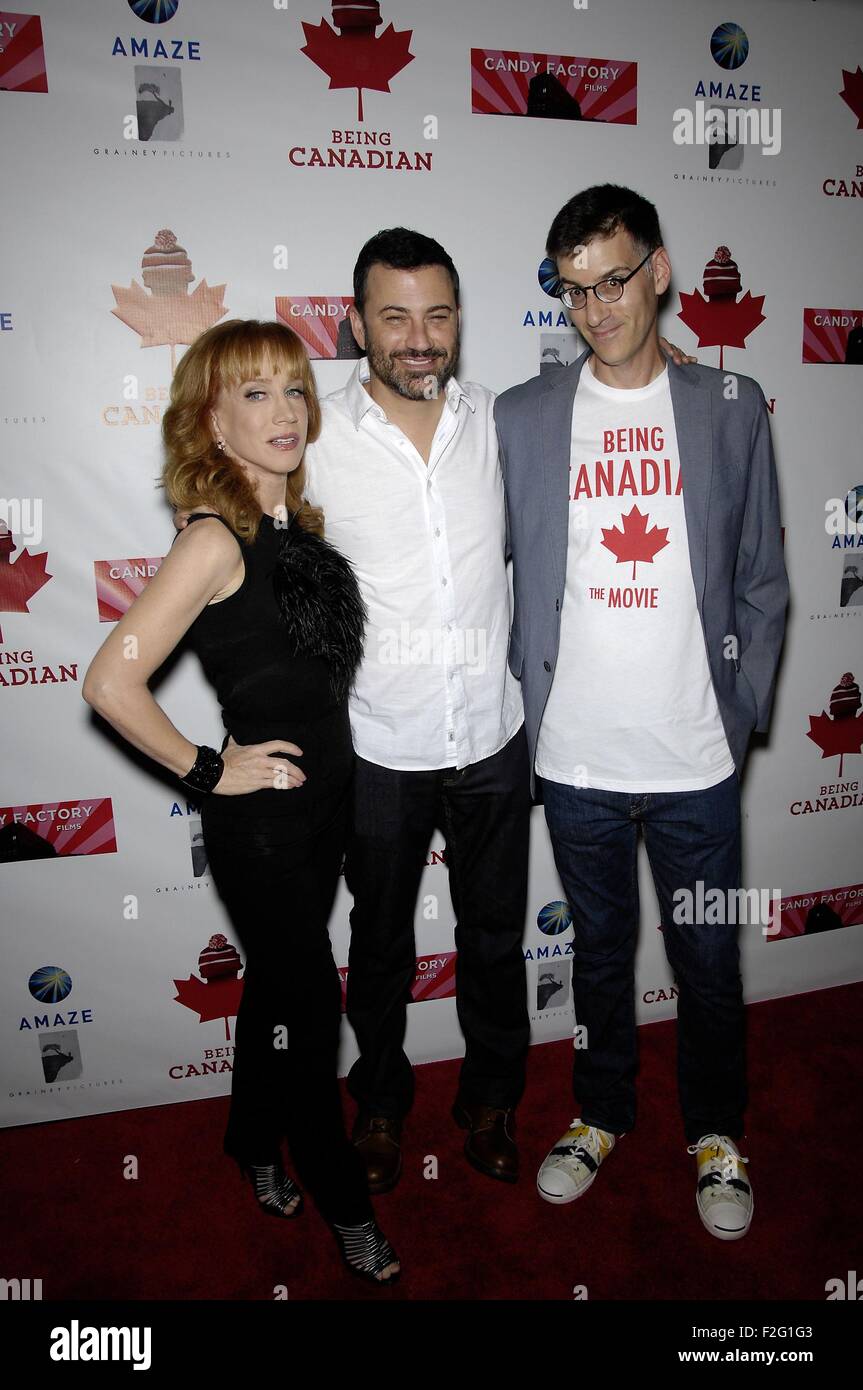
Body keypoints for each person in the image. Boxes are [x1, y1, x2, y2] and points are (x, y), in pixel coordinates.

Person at [494, 184, 789, 1240]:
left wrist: (739, 708)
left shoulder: (728, 404)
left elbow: (760, 578)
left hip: (693, 760)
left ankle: (714, 1132)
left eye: (612, 279)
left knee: (707, 961)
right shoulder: (522, 416)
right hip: (571, 759)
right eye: (571, 289)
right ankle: (599, 1110)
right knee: (598, 957)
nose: (594, 306)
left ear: (657, 271)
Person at [83, 318, 399, 1285]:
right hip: (259, 828)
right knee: (310, 1016)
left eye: (293, 389)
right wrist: (208, 770)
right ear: (211, 425)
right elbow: (109, 682)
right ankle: (344, 1202)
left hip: (327, 810)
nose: (284, 411)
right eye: (254, 394)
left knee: (276, 991)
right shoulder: (213, 542)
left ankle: (249, 1142)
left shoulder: (291, 529)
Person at [303, 229, 532, 1191]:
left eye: (437, 314)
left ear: (459, 322)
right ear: (356, 323)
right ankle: (382, 1106)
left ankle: (491, 1098)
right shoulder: (308, 434)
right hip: (380, 741)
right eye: (393, 315)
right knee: (383, 944)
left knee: (492, 938)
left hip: (491, 731)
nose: (418, 337)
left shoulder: (500, 421)